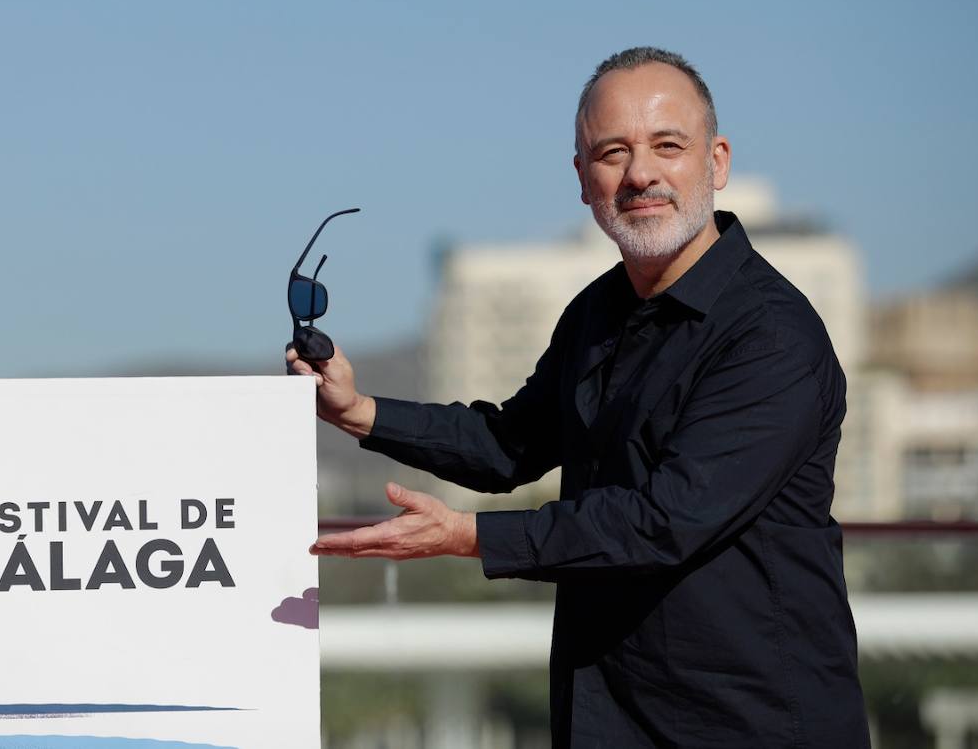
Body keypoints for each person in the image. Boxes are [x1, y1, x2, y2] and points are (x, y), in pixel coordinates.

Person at [287, 46, 870, 747]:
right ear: (582, 178)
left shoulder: (772, 334)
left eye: (666, 145)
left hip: (753, 723)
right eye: (612, 152)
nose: (640, 173)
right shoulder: (596, 312)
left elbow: (664, 520)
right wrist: (359, 411)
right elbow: (512, 442)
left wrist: (468, 537)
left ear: (716, 161)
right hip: (610, 717)